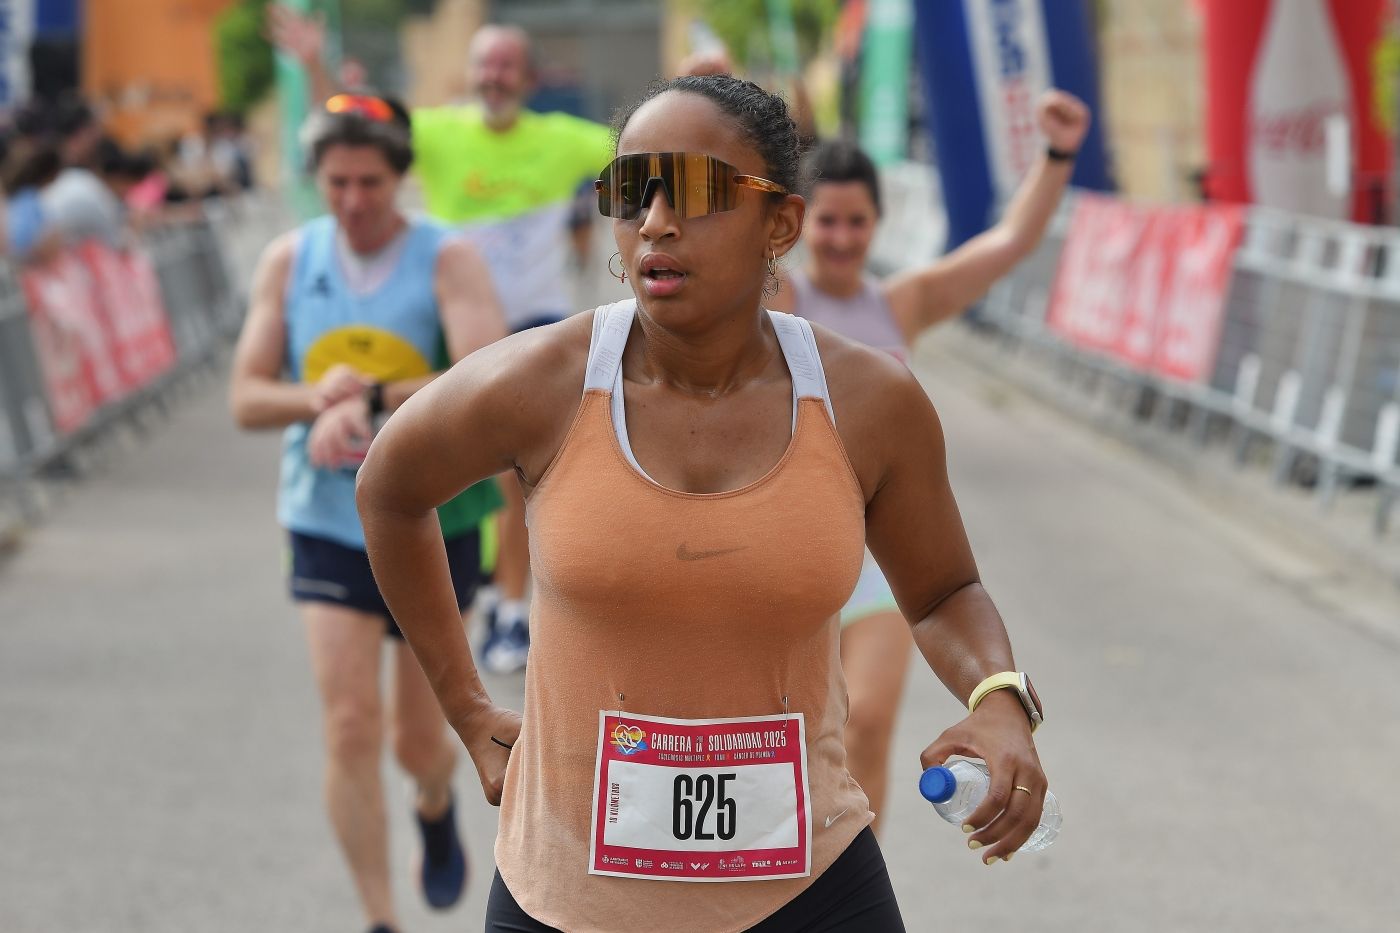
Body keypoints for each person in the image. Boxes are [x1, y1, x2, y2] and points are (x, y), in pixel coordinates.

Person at [356, 74, 1050, 933]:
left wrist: (1000, 697)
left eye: (692, 190)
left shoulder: (868, 402)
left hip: (807, 884)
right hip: (566, 897)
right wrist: (465, 705)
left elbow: (944, 591)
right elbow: (389, 489)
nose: (653, 219)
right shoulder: (542, 382)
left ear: (781, 224)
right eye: (627, 190)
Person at [766, 93, 1089, 834]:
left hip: (875, 559)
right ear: (797, 222)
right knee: (789, 742)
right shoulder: (779, 296)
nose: (842, 237)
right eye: (827, 219)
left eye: (858, 221)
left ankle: (852, 881)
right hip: (786, 547)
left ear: (878, 224)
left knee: (870, 723)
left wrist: (1057, 156)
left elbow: (1008, 244)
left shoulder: (899, 305)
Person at [228, 95, 506, 933]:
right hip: (326, 521)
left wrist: (377, 396)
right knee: (348, 723)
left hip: (436, 522)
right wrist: (317, 400)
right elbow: (246, 397)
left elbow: (489, 374)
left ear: (400, 177)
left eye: (371, 183)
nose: (353, 200)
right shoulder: (289, 259)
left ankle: (431, 802)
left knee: (418, 744)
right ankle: (380, 919)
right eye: (338, 182)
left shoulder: (445, 260)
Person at [269, 5, 617, 675]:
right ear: (470, 73)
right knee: (469, 473)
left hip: (533, 331)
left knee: (520, 474)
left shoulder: (565, 139)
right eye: (484, 64)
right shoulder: (439, 130)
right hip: (456, 330)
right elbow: (352, 132)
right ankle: (485, 582)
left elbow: (648, 143)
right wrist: (313, 66)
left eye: (506, 66)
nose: (494, 76)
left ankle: (511, 606)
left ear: (529, 77)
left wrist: (702, 84)